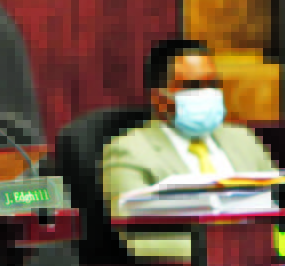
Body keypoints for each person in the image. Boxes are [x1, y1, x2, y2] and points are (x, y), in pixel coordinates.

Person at [101, 39, 275, 212]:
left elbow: (281, 206)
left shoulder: (243, 139)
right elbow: (132, 223)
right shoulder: (129, 152)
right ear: (159, 100)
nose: (207, 94)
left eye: (212, 85)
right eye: (193, 86)